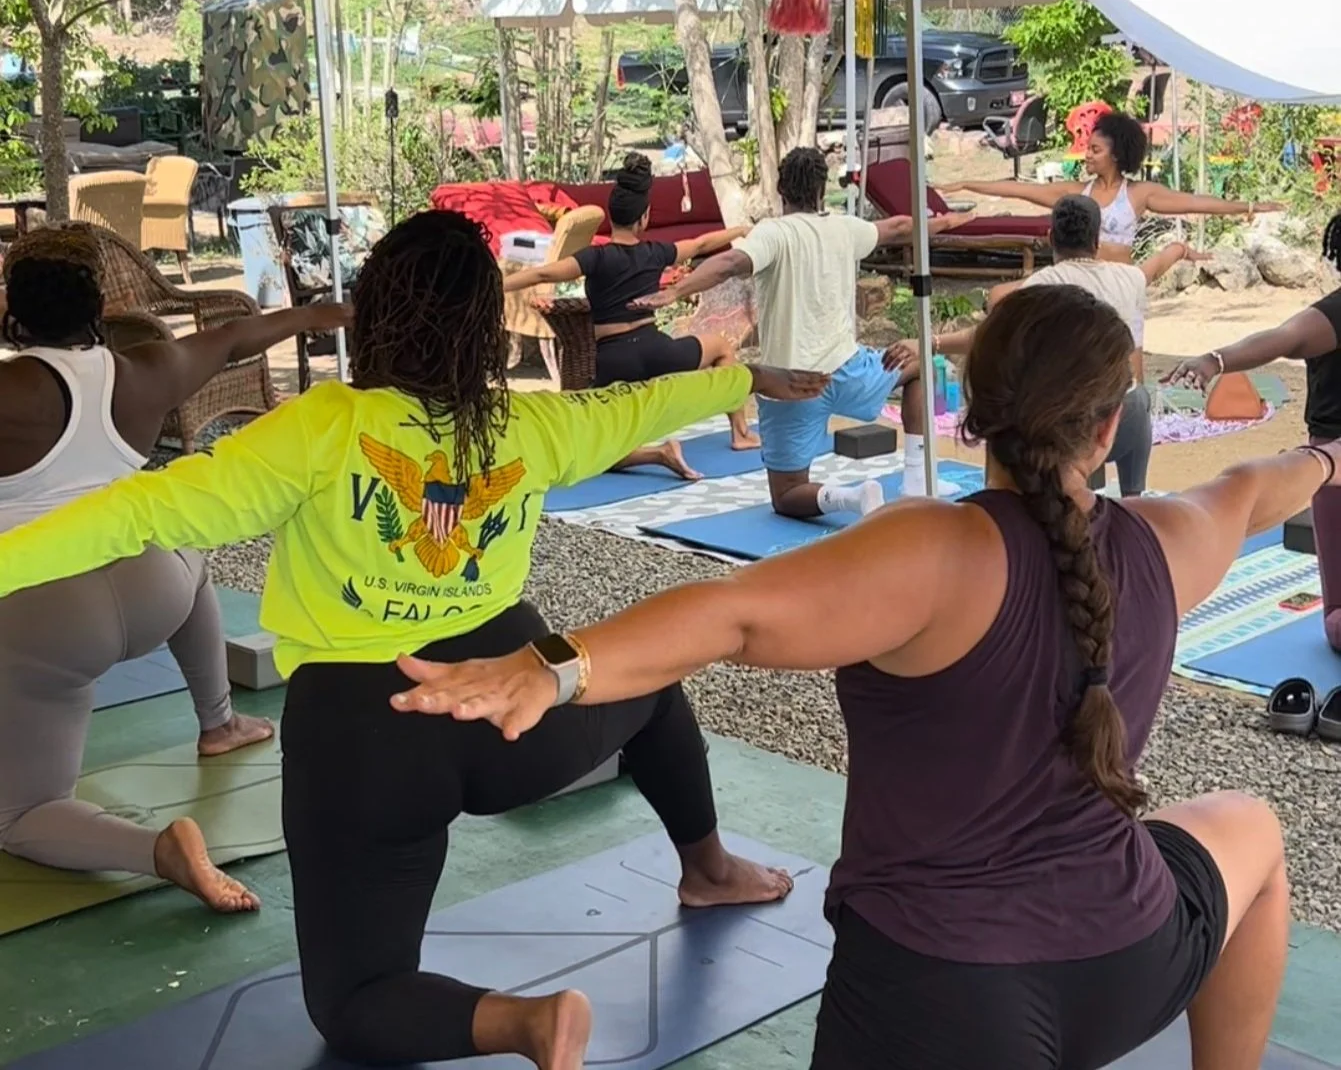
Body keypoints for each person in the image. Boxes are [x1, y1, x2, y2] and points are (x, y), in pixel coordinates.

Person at [390, 283, 1326, 1070]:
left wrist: (550, 666)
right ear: (1106, 427)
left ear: (973, 403)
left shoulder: (936, 546)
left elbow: (734, 617)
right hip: (1127, 959)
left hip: (936, 1002)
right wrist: (1326, 455)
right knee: (1249, 826)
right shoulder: (1167, 539)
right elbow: (1255, 486)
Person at [0, 209, 830, 1070]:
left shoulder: (321, 427)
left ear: (377, 312)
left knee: (358, 1001)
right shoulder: (529, 427)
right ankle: (708, 867)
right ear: (482, 327)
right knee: (646, 681)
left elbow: (140, 511)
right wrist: (746, 380)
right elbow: (640, 404)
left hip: (367, 739)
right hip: (516, 719)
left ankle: (526, 1023)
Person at [0, 223, 345, 912]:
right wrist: (314, 315)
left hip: (45, 617)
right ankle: (219, 723)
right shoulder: (149, 367)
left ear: (12, 313)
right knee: (190, 549)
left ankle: (155, 850)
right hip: (158, 585)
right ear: (98, 312)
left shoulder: (10, 390)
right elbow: (235, 340)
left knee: (22, 813)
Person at [635, 146, 978, 517]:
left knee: (786, 496)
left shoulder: (773, 233)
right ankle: (916, 474)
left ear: (781, 191)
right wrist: (942, 222)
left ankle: (852, 498)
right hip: (851, 373)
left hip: (790, 385)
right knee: (923, 362)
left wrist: (677, 291)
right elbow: (898, 227)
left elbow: (730, 262)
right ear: (820, 190)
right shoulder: (843, 227)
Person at [911, 194, 1208, 497]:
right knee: (1137, 396)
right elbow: (1156, 266)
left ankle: (1025, 497)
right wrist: (1180, 249)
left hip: (1070, 424)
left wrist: (932, 343)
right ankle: (1134, 494)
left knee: (1045, 407)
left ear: (1050, 237)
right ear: (1097, 240)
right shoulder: (1129, 278)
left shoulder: (1036, 288)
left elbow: (988, 332)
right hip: (1123, 418)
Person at [1167, 212, 1341, 650]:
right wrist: (1216, 361)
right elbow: (1284, 339)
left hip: (1330, 465)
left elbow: (1285, 338)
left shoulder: (1336, 311)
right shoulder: (1334, 313)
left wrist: (1214, 361)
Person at [505, 153, 758, 449]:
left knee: (594, 434)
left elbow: (542, 274)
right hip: (659, 353)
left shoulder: (595, 257)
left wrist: (497, 286)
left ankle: (643, 450)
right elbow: (701, 244)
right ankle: (741, 434)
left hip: (613, 362)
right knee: (722, 348)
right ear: (644, 218)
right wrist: (740, 230)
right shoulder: (655, 252)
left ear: (611, 217)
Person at [937, 111, 1282, 263]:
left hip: (1121, 286)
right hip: (1083, 283)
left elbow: (1195, 202)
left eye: (1095, 150)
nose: (1086, 155)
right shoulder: (1074, 191)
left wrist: (1249, 208)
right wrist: (968, 182)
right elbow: (1015, 191)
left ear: (1117, 155)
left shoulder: (1138, 194)